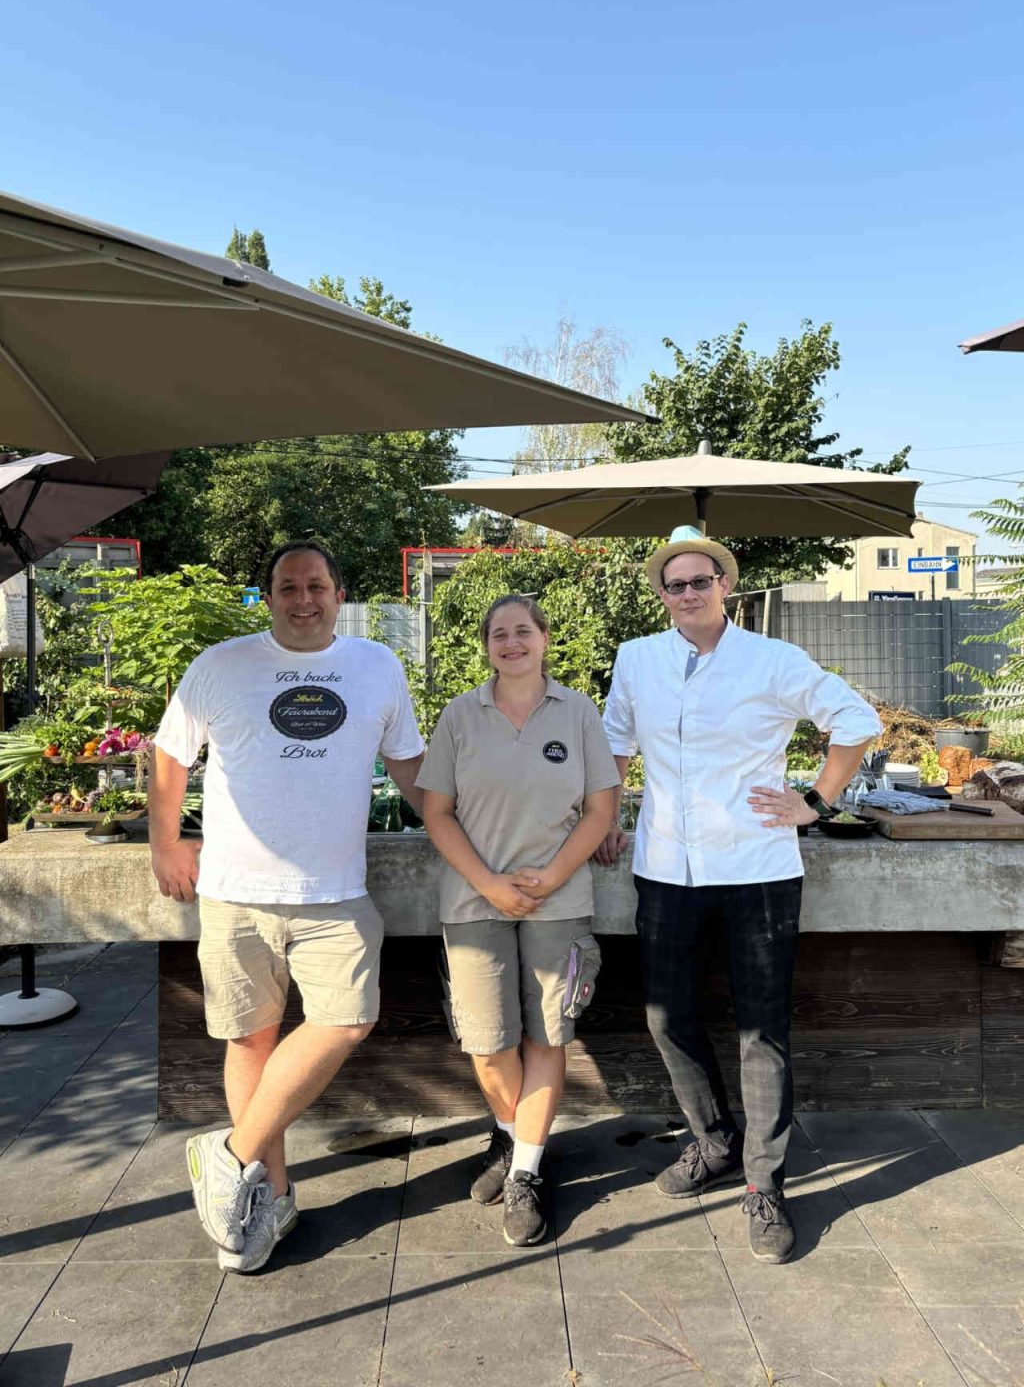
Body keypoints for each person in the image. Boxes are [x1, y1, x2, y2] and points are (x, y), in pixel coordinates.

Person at [596, 536, 880, 1264]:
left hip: (756, 869)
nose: (686, 593)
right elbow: (614, 748)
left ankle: (764, 1184)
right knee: (667, 1018)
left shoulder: (773, 661)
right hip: (664, 867)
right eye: (673, 584)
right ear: (660, 595)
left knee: (762, 1032)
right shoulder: (638, 658)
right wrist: (602, 821)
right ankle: (713, 1141)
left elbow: (856, 723)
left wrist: (814, 800)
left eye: (699, 580)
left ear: (724, 584)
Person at [149, 539, 424, 1274]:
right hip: (234, 891)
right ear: (268, 595)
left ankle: (229, 1153)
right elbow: (172, 753)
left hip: (336, 890)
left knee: (347, 1020)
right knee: (249, 1044)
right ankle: (265, 1199)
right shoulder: (220, 665)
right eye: (288, 586)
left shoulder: (377, 666)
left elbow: (409, 765)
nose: (304, 599)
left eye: (318, 586)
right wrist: (165, 843)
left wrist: (470, 825)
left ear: (340, 594)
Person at [418, 595, 620, 1246]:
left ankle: (526, 1170)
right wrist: (489, 884)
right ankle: (513, 1139)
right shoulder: (459, 715)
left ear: (544, 639)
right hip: (473, 902)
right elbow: (437, 812)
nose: (511, 642)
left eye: (522, 631)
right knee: (488, 1043)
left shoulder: (578, 712)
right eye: (499, 633)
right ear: (486, 646)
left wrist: (555, 875)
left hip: (558, 904)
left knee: (546, 1039)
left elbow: (599, 807)